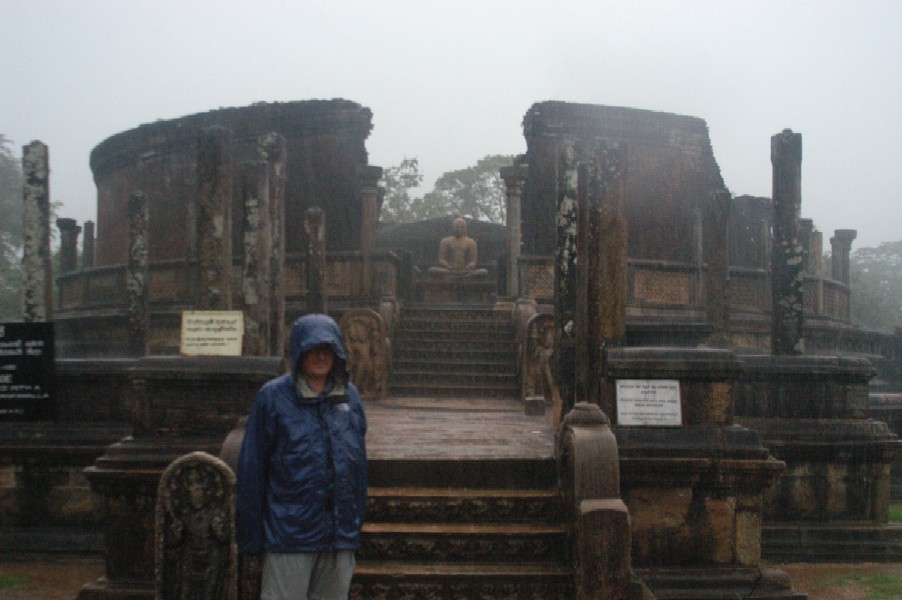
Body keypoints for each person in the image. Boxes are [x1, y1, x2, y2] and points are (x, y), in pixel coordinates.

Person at [236, 314, 367, 600]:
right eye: (313, 348)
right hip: (289, 537)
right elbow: (252, 470)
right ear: (298, 352)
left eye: (328, 348)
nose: (321, 355)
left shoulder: (350, 398)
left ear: (338, 353)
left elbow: (358, 468)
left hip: (339, 535)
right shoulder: (272, 399)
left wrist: (354, 525)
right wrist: (251, 540)